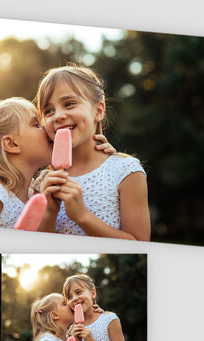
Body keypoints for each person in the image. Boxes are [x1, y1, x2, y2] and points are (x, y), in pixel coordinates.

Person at [35, 65, 151, 240]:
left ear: (98, 110)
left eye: (69, 104)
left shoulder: (126, 171)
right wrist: (49, 212)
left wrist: (82, 216)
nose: (58, 115)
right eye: (48, 111)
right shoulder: (43, 181)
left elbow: (140, 244)